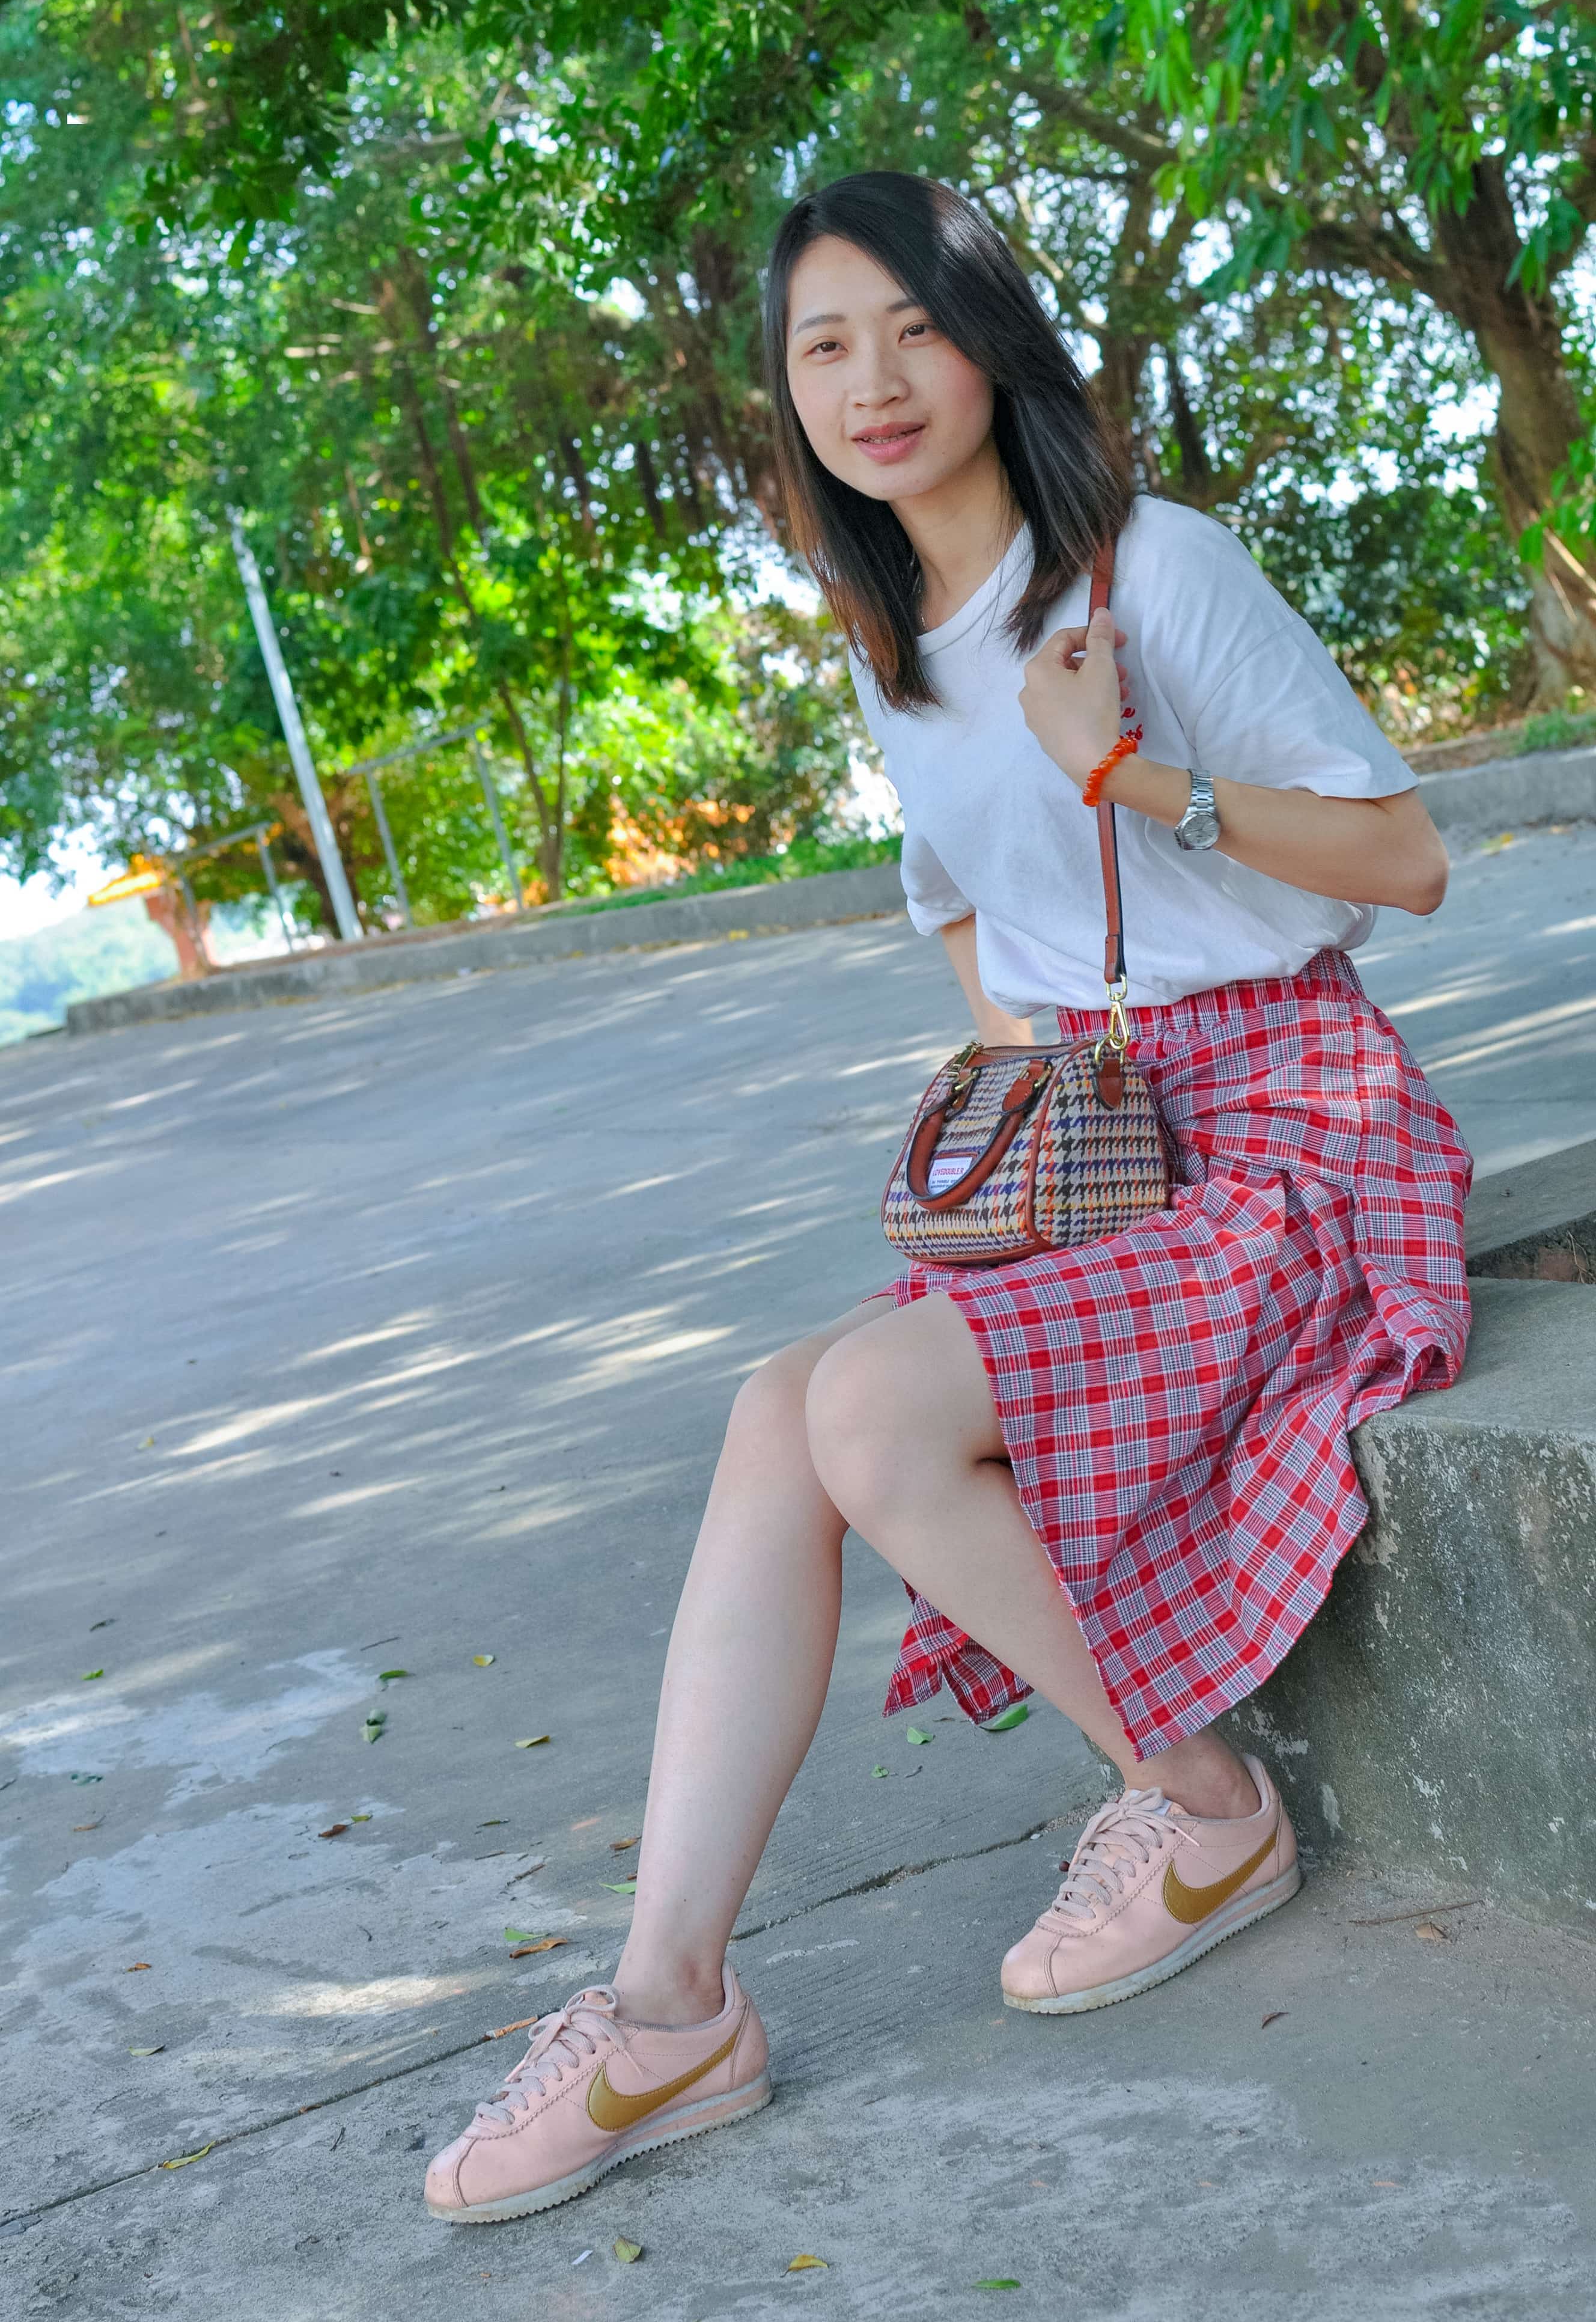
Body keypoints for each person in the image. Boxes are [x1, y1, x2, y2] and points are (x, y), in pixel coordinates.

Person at [423, 171, 1470, 2226]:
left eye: (911, 326)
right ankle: (665, 2009)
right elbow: (962, 923)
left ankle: (1200, 1812)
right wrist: (1053, 1076)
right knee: (771, 1411)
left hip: (1305, 1140)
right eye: (825, 345)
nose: (874, 379)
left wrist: (1136, 777)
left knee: (873, 1408)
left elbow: (1406, 859)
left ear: (992, 338)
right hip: (1130, 1148)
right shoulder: (895, 651)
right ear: (787, 398)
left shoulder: (1153, 572)